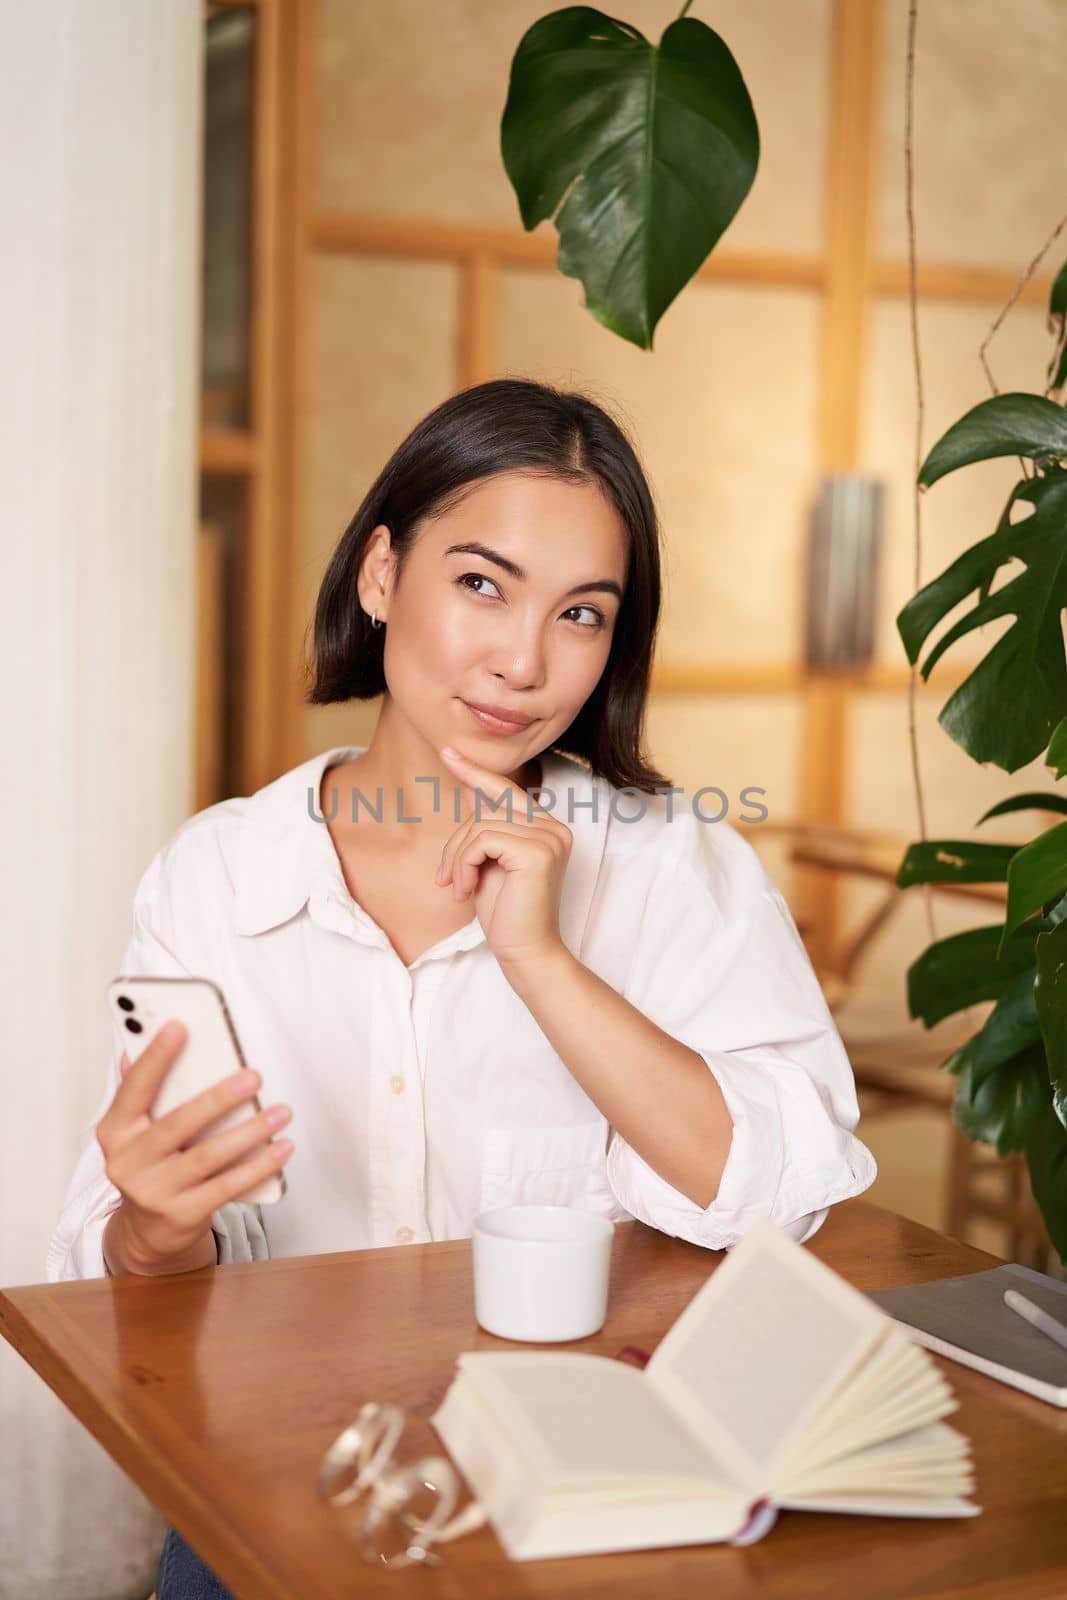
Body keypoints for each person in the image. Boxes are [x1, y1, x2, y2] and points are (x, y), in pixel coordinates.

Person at [47, 377, 876, 1596]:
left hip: (592, 1500)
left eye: (582, 614)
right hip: (286, 1484)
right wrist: (155, 1231)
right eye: (480, 583)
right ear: (381, 574)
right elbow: (127, 1287)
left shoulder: (670, 865)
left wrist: (541, 961)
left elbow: (775, 1197)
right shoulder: (219, 873)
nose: (523, 663)